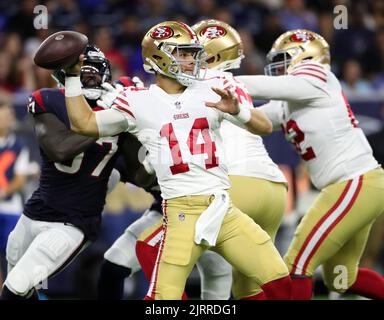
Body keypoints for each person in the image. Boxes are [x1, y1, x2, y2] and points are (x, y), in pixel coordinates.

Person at [63, 21, 292, 300]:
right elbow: (83, 123)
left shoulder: (212, 88)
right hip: (182, 213)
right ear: (160, 57)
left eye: (193, 52)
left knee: (281, 285)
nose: (193, 59)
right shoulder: (139, 101)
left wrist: (240, 111)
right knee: (163, 301)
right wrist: (73, 78)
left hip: (224, 208)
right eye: (184, 53)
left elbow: (264, 127)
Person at [216, 29, 384, 299]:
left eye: (283, 59)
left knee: (296, 266)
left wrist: (219, 79)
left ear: (305, 57)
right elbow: (257, 119)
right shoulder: (290, 102)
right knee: (341, 279)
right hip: (357, 185)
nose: (278, 67)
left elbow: (271, 88)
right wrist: (227, 108)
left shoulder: (320, 76)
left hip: (354, 182)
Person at [1, 45, 147, 299]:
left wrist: (139, 123)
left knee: (14, 289)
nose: (89, 78)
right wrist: (104, 124)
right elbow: (59, 150)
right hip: (35, 211)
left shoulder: (118, 120)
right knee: (23, 289)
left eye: (95, 73)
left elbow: (138, 175)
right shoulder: (50, 101)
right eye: (82, 73)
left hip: (73, 222)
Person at [0, 102, 30, 288]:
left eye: (9, 115)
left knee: (14, 257)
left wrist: (2, 192)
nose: (7, 119)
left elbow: (20, 179)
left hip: (11, 209)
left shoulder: (19, 145)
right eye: (3, 116)